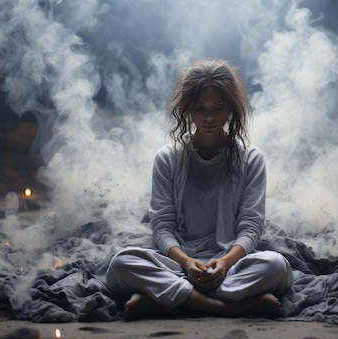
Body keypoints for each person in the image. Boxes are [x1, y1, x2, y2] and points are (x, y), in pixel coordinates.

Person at [105, 59, 293, 321]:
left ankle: (167, 301)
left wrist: (225, 263)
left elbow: (251, 226)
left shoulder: (251, 159)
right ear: (187, 110)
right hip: (179, 263)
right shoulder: (167, 158)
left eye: (218, 108)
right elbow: (162, 226)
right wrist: (186, 262)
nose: (209, 117)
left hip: (231, 263)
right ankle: (227, 307)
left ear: (230, 109)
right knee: (120, 264)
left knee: (276, 267)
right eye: (200, 108)